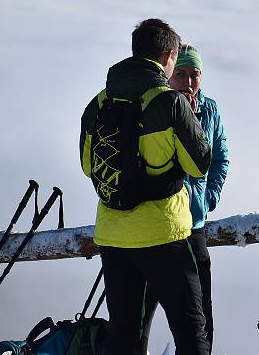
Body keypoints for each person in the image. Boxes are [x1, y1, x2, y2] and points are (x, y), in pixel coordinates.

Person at [80, 19, 212, 355]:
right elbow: (200, 164)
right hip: (164, 234)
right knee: (190, 331)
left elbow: (87, 166)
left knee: (124, 335)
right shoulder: (170, 103)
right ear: (169, 56)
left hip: (112, 236)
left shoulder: (98, 103)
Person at [139, 44, 229, 354]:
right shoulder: (157, 107)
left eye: (195, 75)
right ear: (169, 75)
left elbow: (220, 159)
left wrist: (210, 197)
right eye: (181, 74)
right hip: (157, 222)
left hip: (194, 224)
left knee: (200, 314)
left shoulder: (210, 110)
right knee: (143, 313)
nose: (189, 82)